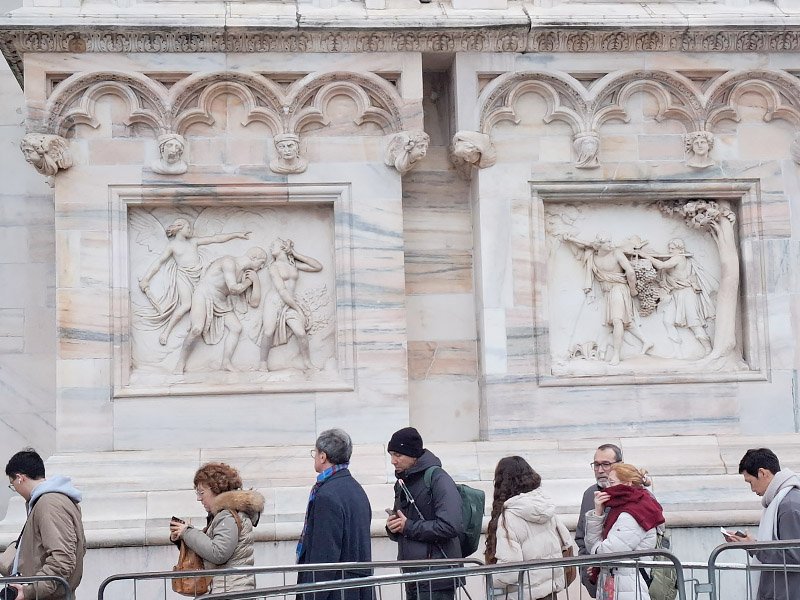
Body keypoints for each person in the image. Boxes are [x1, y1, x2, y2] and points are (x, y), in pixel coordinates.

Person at [138, 217, 251, 345]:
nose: (191, 230)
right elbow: (159, 262)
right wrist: (146, 278)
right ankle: (166, 332)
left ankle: (197, 321)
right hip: (184, 276)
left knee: (202, 301)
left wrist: (236, 234)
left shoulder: (193, 242)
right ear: (179, 229)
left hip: (200, 275)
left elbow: (215, 238)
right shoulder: (172, 246)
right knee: (186, 305)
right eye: (188, 228)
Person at [385, 427, 464, 600]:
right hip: (413, 576)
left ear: (413, 455)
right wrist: (393, 526)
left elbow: (451, 525)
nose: (393, 461)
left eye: (398, 455)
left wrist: (408, 526)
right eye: (391, 454)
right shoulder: (402, 482)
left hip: (437, 577)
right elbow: (403, 524)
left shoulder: (438, 478)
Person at [296, 429, 372, 600]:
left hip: (336, 590)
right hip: (356, 587)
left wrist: (312, 595)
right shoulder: (356, 489)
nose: (315, 457)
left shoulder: (326, 495)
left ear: (323, 457)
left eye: (315, 453)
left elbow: (324, 554)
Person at [485, 456, 575, 600]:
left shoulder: (509, 516)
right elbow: (566, 542)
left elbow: (509, 570)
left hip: (523, 594)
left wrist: (488, 577)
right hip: (549, 592)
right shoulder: (546, 508)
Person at [3, 448, 85, 600]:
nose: (16, 489)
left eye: (12, 484)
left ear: (20, 478)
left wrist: (29, 591)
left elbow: (62, 559)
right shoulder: (49, 501)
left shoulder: (49, 503)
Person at [169, 462, 264, 593]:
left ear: (216, 489)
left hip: (230, 590)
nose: (199, 498)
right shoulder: (226, 515)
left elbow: (218, 553)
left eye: (201, 492)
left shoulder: (228, 517)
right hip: (229, 589)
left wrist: (187, 533)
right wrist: (183, 536)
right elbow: (209, 549)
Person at [173, 246, 267, 374]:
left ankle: (226, 363)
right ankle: (181, 362)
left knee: (236, 328)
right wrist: (247, 283)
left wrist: (256, 281)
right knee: (196, 329)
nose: (261, 267)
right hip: (204, 294)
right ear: (254, 258)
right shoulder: (229, 262)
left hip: (221, 301)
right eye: (261, 263)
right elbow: (234, 289)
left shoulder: (246, 274)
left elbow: (255, 303)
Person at [563, 234, 653, 365]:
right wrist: (570, 239)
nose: (611, 244)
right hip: (607, 292)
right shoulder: (593, 256)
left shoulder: (616, 253)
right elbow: (585, 244)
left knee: (618, 320)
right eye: (608, 242)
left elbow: (631, 272)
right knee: (625, 321)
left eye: (611, 240)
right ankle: (646, 341)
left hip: (619, 289)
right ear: (599, 245)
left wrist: (633, 289)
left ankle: (616, 355)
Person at [726, 448, 800, 600]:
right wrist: (752, 545)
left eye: (751, 482)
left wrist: (754, 546)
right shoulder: (784, 501)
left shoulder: (789, 505)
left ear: (762, 473)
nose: (752, 489)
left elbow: (793, 556)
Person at [584, 463, 664, 600]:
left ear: (627, 483)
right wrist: (597, 514)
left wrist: (597, 558)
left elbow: (607, 552)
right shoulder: (621, 508)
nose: (606, 487)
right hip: (617, 586)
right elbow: (597, 549)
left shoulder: (635, 512)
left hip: (629, 588)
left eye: (612, 482)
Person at [259, 238, 323, 373]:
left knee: (300, 332)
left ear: (283, 248)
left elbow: (317, 266)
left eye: (273, 245)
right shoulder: (273, 267)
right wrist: (298, 309)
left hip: (290, 303)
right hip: (275, 301)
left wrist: (295, 253)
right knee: (268, 332)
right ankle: (263, 363)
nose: (271, 248)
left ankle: (307, 362)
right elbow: (282, 291)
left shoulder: (293, 265)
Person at [641, 239, 715, 356]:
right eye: (669, 248)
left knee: (694, 322)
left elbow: (661, 265)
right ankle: (677, 351)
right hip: (675, 294)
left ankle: (708, 349)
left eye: (672, 248)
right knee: (668, 321)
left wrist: (646, 256)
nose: (670, 251)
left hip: (686, 293)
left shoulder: (679, 258)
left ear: (680, 249)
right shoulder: (674, 258)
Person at [575, 443, 623, 597]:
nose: (600, 470)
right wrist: (587, 574)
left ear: (620, 465)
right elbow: (581, 538)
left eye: (606, 464)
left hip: (630, 581)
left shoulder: (637, 493)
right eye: (596, 465)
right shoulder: (589, 494)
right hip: (600, 584)